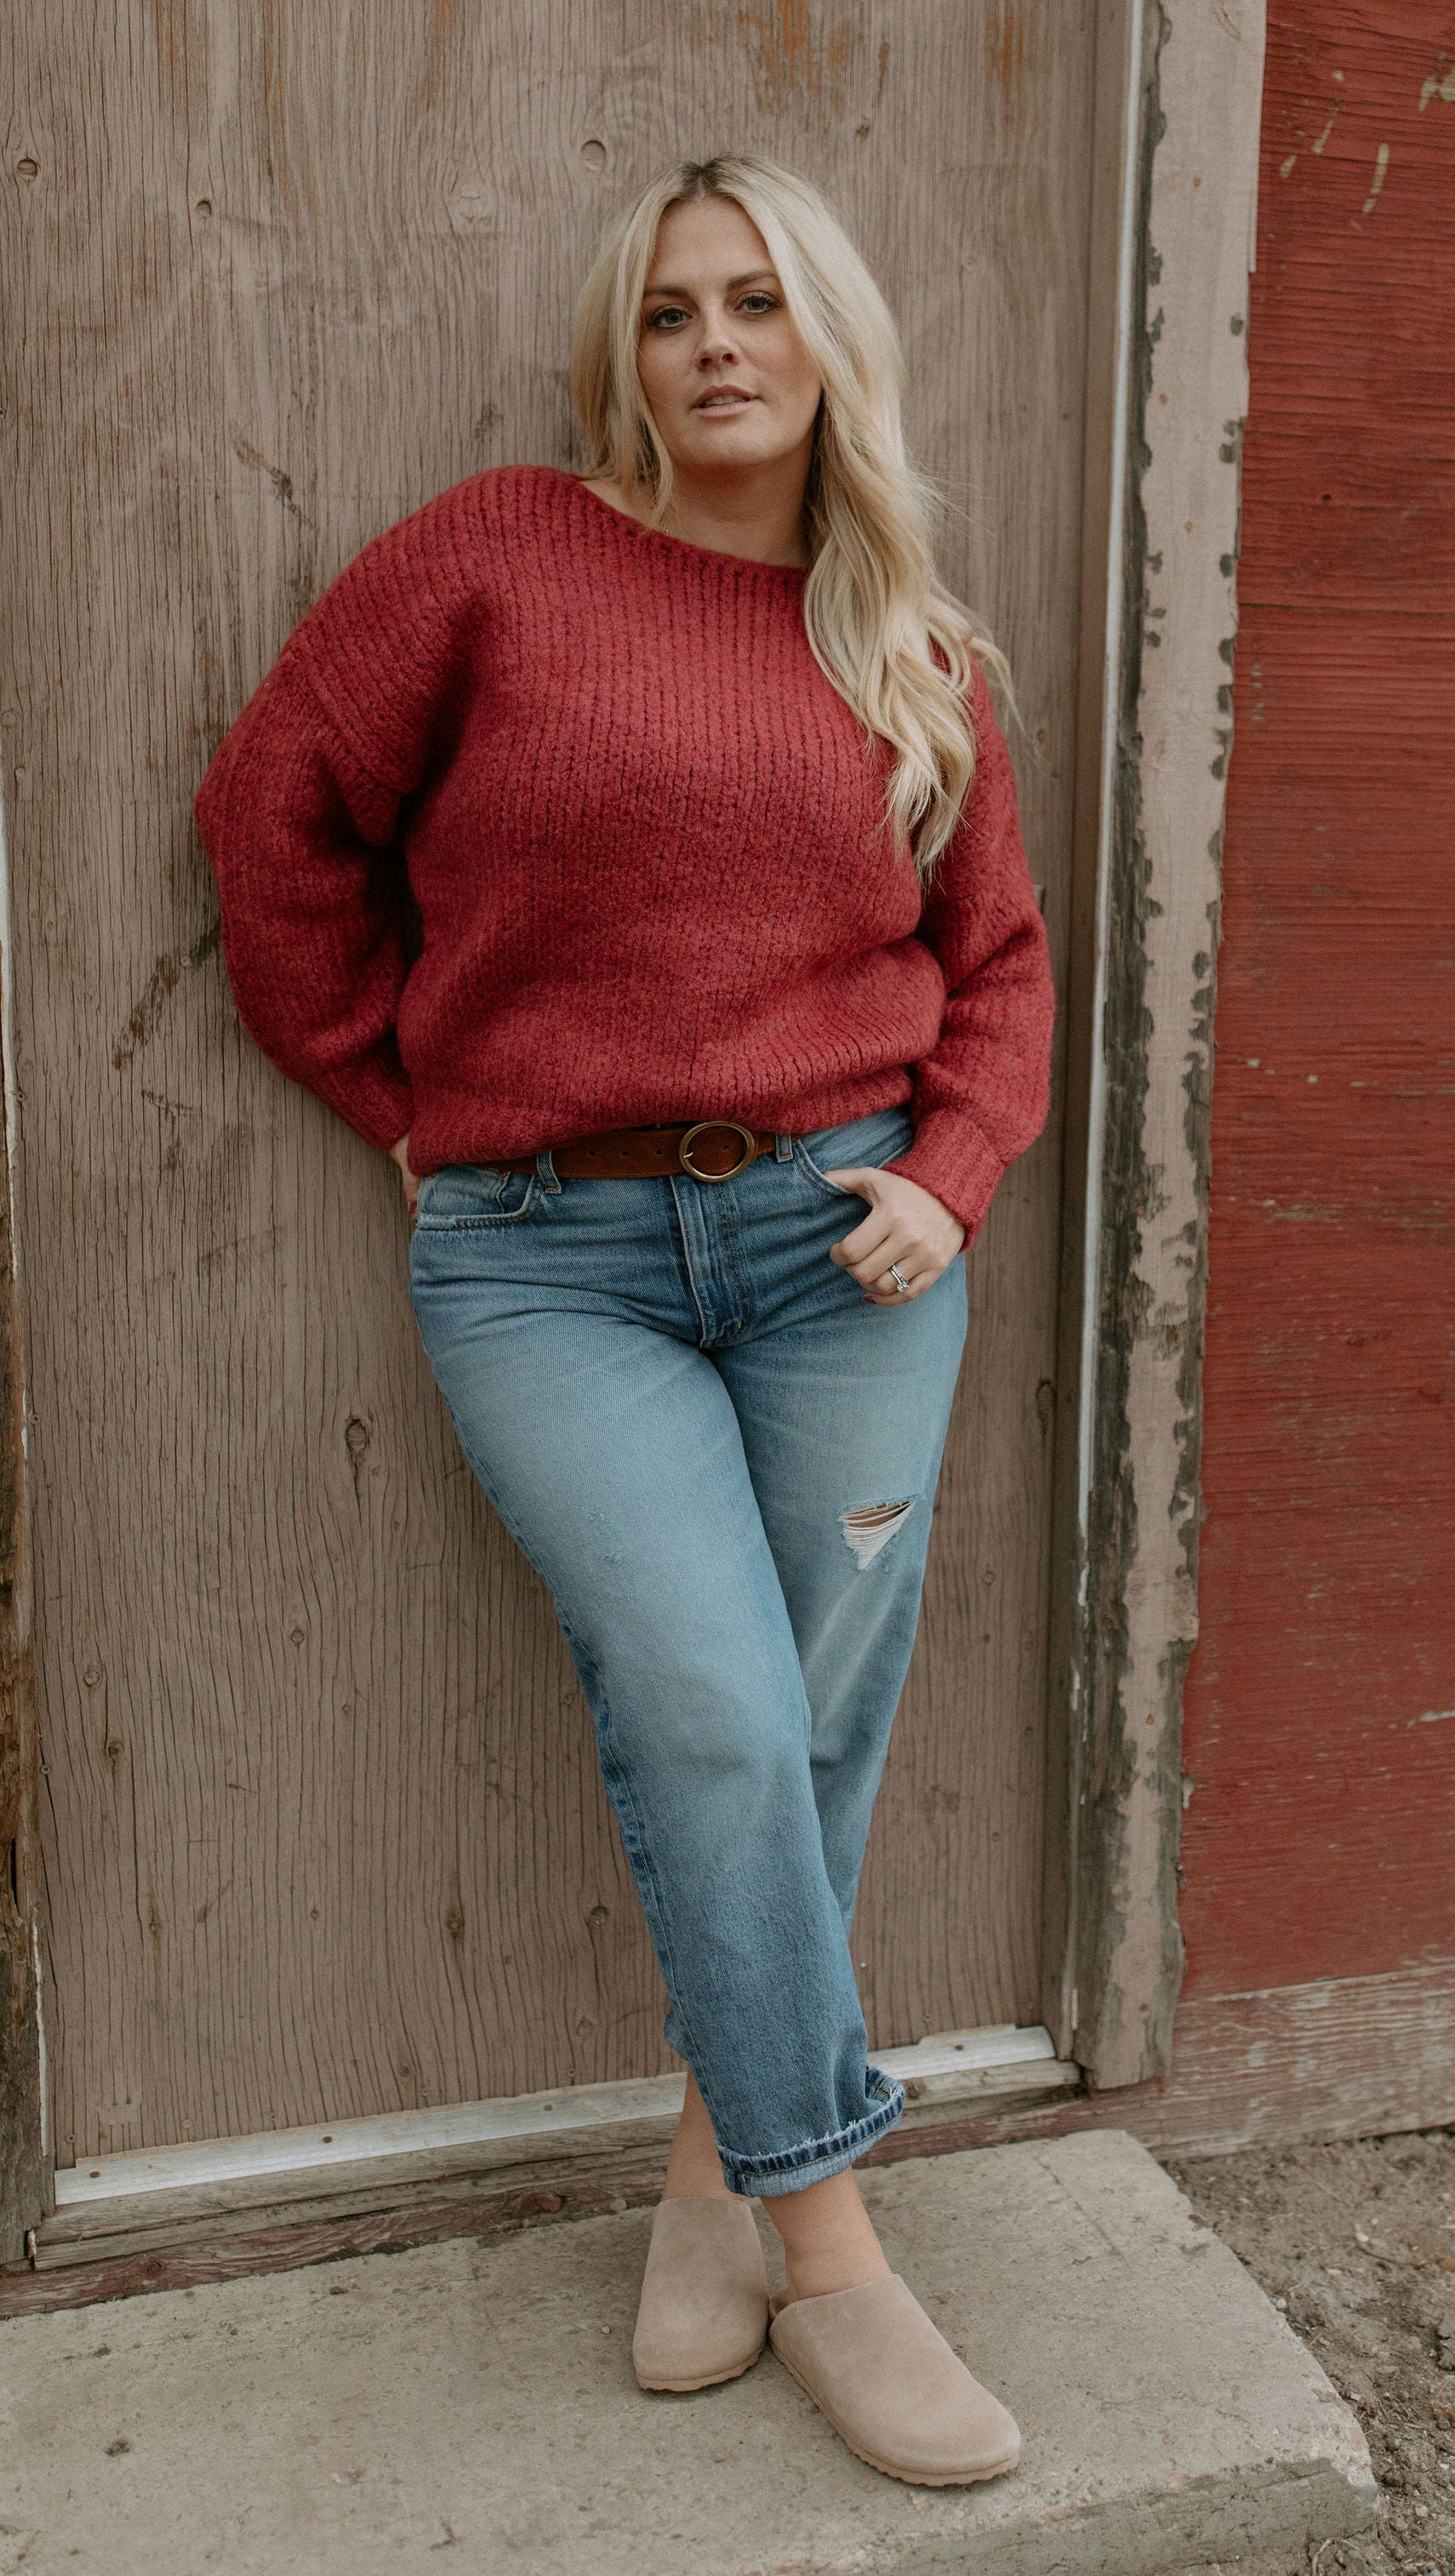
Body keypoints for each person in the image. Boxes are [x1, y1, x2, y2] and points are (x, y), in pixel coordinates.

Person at [194, 152, 1053, 2486]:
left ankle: (712, 2182)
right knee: (711, 1703)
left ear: (829, 339)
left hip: (841, 1252)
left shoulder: (910, 643)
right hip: (544, 1260)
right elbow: (271, 813)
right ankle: (840, 2261)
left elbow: (995, 966)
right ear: (625, 354)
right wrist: (395, 1093)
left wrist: (952, 1171)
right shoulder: (494, 557)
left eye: (757, 301)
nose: (714, 346)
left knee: (809, 1731)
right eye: (672, 311)